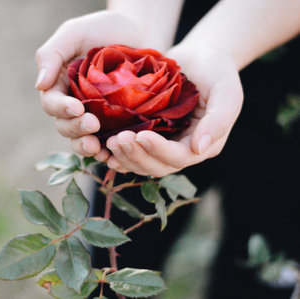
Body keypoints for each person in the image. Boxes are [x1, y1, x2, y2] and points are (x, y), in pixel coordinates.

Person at [35, 0, 300, 298]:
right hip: (176, 47)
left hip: (289, 88)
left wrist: (217, 45)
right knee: (120, 246)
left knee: (260, 265)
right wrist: (138, 17)